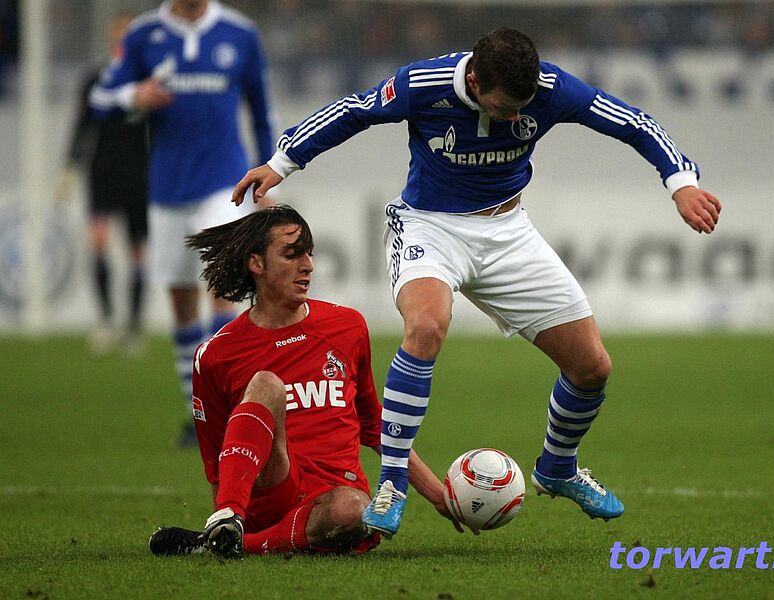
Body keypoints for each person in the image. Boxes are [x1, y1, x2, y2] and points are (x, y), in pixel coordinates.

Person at [232, 27, 722, 539]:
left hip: (509, 232)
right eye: (504, 108)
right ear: (474, 82)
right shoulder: (423, 84)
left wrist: (681, 183)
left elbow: (633, 121)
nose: (514, 119)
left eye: (521, 109)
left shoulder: (550, 88)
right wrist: (282, 162)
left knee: (592, 366)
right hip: (430, 228)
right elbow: (353, 111)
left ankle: (558, 466)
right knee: (426, 327)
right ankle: (393, 482)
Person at [147, 205, 458, 558]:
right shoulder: (216, 354)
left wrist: (438, 496)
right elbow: (219, 461)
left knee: (353, 509)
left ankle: (226, 545)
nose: (307, 265)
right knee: (266, 385)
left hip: (338, 499)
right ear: (257, 264)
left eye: (309, 253)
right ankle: (228, 523)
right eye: (292, 254)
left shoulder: (347, 326)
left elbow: (375, 426)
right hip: (272, 491)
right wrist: (227, 508)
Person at [89, 0, 276, 447]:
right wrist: (134, 96)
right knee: (181, 301)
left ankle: (230, 408)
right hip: (167, 187)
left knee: (222, 285)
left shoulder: (239, 33)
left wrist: (270, 169)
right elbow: (99, 100)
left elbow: (261, 108)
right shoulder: (142, 34)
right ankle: (201, 415)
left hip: (225, 181)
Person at [60, 13, 149, 355]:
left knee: (138, 251)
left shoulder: (149, 80)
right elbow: (81, 126)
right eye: (119, 34)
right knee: (98, 241)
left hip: (140, 174)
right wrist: (69, 167)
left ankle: (134, 326)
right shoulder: (95, 77)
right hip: (102, 172)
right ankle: (106, 319)